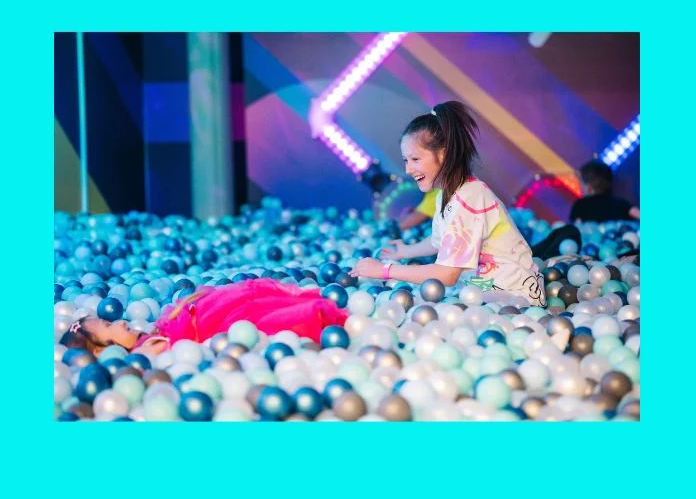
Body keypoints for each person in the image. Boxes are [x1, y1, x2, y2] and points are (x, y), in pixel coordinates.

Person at [350, 101, 545, 306]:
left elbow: (448, 274)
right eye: (406, 160)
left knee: (436, 305)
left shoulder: (469, 199)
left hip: (516, 295)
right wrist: (405, 251)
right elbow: (440, 241)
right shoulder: (446, 194)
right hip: (483, 286)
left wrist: (385, 271)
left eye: (415, 159)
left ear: (443, 154)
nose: (408, 169)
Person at [59, 278, 348, 357]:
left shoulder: (146, 336)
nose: (120, 321)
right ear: (101, 351)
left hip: (211, 316)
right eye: (109, 326)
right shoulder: (143, 354)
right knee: (263, 317)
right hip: (215, 328)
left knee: (253, 301)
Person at [570, 159, 640, 223]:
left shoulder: (580, 205)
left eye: (581, 183)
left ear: (589, 188)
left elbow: (577, 227)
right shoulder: (621, 204)